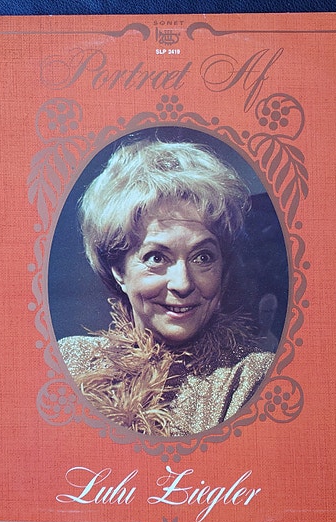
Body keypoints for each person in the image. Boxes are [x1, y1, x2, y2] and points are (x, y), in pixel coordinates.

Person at [58, 139, 275, 436]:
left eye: (202, 257)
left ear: (223, 268)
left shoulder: (251, 379)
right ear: (119, 270)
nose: (183, 283)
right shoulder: (71, 361)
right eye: (156, 258)